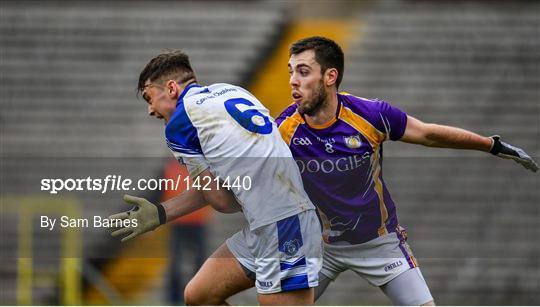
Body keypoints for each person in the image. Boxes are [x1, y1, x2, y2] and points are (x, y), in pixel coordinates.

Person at [274, 36, 538, 306]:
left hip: (379, 244)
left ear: (330, 76)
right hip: (320, 246)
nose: (293, 80)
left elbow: (428, 134)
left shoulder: (370, 115)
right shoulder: (283, 129)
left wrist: (491, 145)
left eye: (303, 72)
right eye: (291, 71)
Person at [106, 50, 323, 305]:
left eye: (149, 97)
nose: (150, 109)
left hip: (284, 225)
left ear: (172, 88)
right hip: (272, 222)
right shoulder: (232, 91)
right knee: (199, 295)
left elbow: (219, 200)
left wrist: (237, 195)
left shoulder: (180, 123)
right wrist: (161, 213)